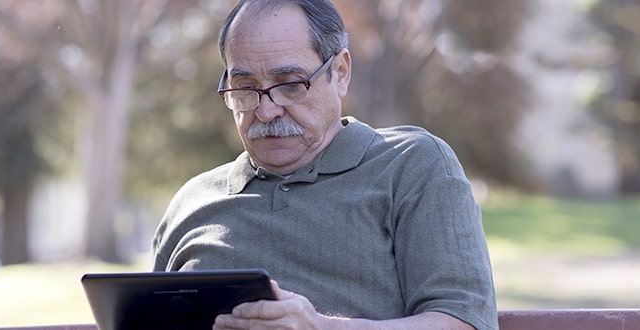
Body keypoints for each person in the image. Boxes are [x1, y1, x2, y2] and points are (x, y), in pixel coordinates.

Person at [151, 0, 499, 329]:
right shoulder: (193, 200)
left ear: (340, 72)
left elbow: (464, 321)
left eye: (289, 85)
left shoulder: (411, 166)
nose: (266, 111)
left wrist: (321, 327)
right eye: (244, 88)